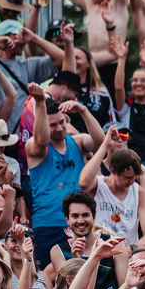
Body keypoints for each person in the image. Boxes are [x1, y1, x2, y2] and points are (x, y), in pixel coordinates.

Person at [25, 84, 106, 268]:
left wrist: (83, 111)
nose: (60, 128)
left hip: (77, 222)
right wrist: (39, 102)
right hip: (48, 223)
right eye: (52, 125)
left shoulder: (77, 142)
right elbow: (42, 140)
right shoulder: (34, 147)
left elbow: (100, 142)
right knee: (50, 274)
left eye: (62, 122)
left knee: (79, 271)